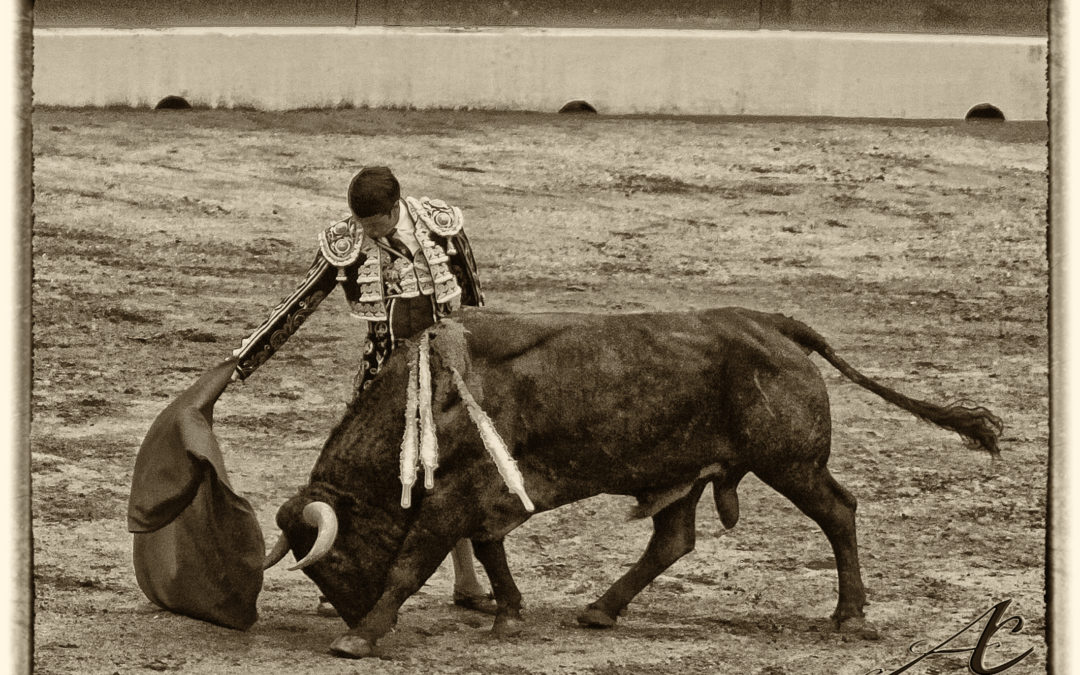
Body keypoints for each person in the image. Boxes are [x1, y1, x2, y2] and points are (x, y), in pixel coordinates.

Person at [230, 166, 492, 614]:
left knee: (449, 469)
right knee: (363, 474)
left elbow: (473, 299)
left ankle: (467, 581)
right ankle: (342, 582)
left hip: (446, 368)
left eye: (375, 224)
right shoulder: (347, 242)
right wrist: (241, 362)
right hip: (383, 373)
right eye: (361, 224)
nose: (367, 233)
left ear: (395, 209)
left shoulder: (440, 224)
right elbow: (299, 303)